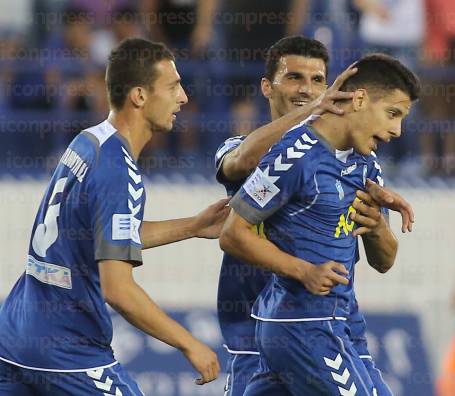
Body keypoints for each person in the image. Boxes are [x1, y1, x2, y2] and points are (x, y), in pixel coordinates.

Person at [0, 38, 228, 395]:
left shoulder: (88, 141)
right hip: (67, 349)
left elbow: (105, 235)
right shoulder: (118, 172)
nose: (183, 98)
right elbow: (119, 290)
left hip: (15, 339)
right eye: (173, 86)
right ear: (139, 95)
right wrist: (189, 342)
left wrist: (193, 226)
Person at [214, 36, 413, 396]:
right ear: (267, 87)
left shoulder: (362, 161)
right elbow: (243, 163)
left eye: (318, 80)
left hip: (333, 318)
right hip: (263, 327)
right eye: (294, 78)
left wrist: (377, 226)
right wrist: (317, 111)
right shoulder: (258, 152)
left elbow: (383, 261)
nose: (307, 90)